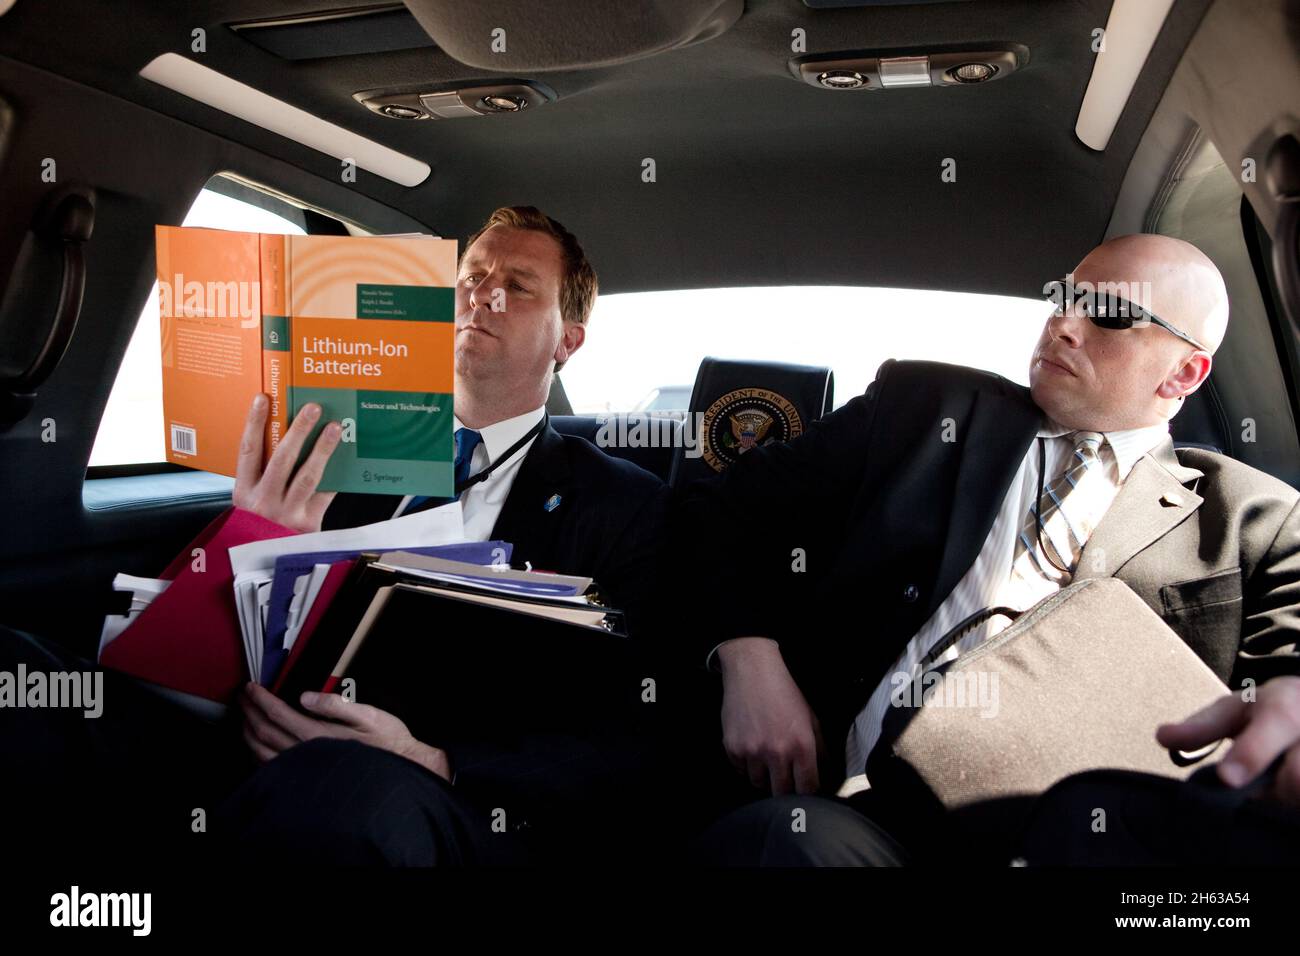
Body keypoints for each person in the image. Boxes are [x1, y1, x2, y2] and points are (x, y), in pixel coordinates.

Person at [0, 207, 670, 866]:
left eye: (518, 285)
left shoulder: (623, 505)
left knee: (342, 793)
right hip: (243, 737)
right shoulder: (336, 448)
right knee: (18, 671)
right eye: (470, 275)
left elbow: (636, 735)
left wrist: (431, 759)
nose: (481, 294)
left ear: (568, 341)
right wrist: (255, 546)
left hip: (439, 793)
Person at [676, 234, 1300, 865]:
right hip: (863, 815)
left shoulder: (1254, 518)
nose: (1063, 324)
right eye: (1061, 298)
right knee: (782, 842)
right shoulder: (919, 412)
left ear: (1185, 372)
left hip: (1093, 853)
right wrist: (748, 657)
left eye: (1109, 313)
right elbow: (716, 512)